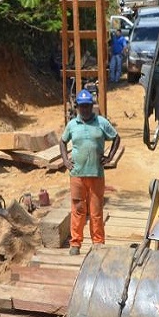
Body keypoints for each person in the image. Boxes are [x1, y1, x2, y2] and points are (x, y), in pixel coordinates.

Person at [60, 89, 120, 256]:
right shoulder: (72, 125)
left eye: (88, 106)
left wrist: (110, 157)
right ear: (77, 107)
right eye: (82, 106)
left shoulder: (101, 123)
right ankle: (76, 243)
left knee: (96, 211)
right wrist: (65, 160)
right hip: (77, 175)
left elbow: (116, 138)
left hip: (96, 175)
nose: (85, 109)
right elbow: (62, 142)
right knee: (78, 209)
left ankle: (98, 243)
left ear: (92, 106)